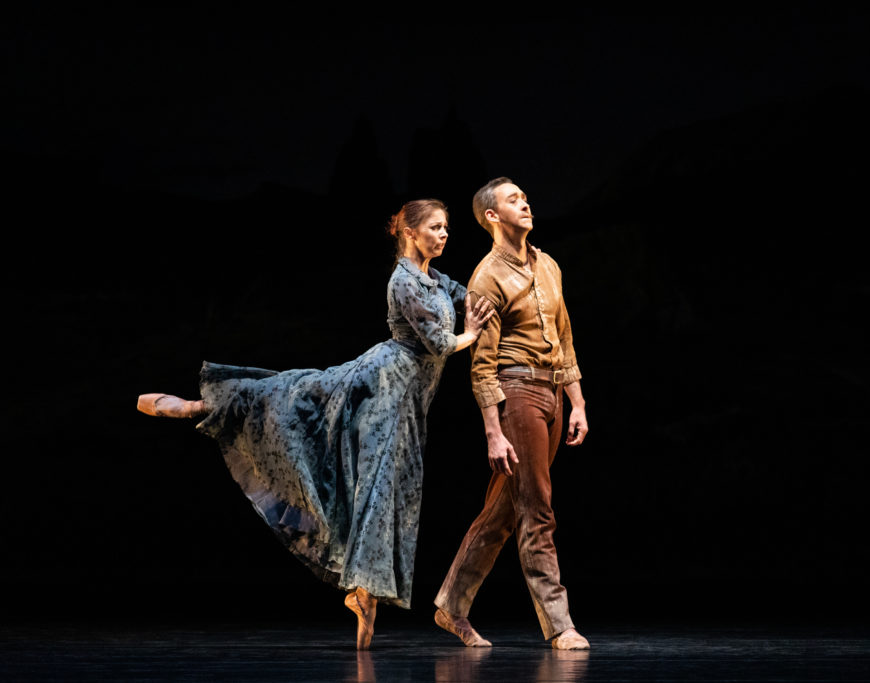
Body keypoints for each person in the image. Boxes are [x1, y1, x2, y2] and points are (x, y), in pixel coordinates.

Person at [136, 199, 493, 650]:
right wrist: (471, 334)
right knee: (309, 413)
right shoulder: (403, 280)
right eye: (436, 227)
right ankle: (198, 407)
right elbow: (439, 343)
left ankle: (365, 594)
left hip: (408, 397)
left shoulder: (433, 278)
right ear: (410, 232)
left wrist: (503, 287)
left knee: (389, 486)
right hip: (382, 386)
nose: (444, 234)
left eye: (446, 228)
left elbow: (471, 294)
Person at [433, 178, 591, 650]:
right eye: (512, 200)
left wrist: (578, 402)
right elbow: (482, 364)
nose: (525, 203)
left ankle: (451, 605)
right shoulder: (486, 277)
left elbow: (564, 338)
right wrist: (493, 431)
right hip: (517, 393)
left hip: (553, 391)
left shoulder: (549, 265)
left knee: (505, 510)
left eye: (524, 197)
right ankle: (560, 624)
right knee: (537, 508)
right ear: (492, 216)